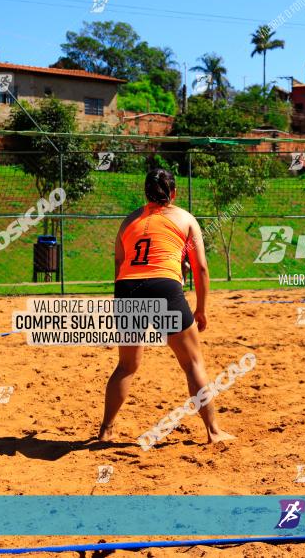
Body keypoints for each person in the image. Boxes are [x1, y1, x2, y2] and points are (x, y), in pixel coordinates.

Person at [99, 168, 234, 446]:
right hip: (164, 286)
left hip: (127, 289)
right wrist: (201, 309)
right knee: (193, 363)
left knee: (126, 366)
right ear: (173, 193)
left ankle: (106, 429)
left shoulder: (128, 221)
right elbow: (201, 268)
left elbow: (118, 265)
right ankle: (213, 431)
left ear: (146, 193)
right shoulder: (185, 218)